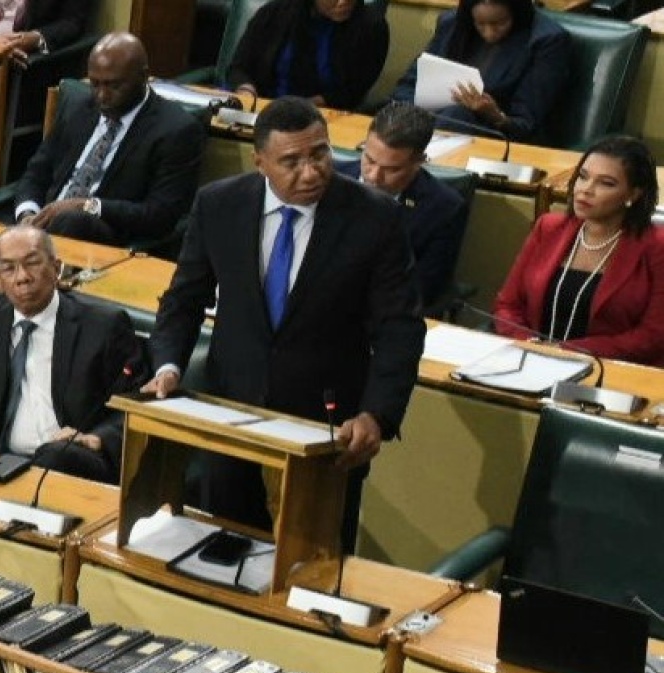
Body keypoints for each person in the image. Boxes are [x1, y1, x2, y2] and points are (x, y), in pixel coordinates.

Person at [145, 97, 425, 550]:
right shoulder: (219, 204)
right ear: (260, 162)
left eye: (320, 154)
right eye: (292, 162)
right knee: (223, 555)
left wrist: (377, 413)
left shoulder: (376, 218)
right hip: (231, 413)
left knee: (313, 565)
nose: (311, 172)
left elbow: (400, 329)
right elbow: (184, 299)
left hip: (326, 428)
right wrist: (167, 365)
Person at [0, 225, 146, 483]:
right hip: (1, 461)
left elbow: (135, 406)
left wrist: (94, 438)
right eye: (8, 268)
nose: (22, 277)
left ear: (57, 268)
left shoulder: (103, 326)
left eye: (32, 263)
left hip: (72, 459)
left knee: (55, 457)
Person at [13, 32, 205, 246]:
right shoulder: (78, 108)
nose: (102, 96)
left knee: (72, 221)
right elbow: (37, 172)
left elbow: (160, 215)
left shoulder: (177, 130)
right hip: (42, 226)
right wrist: (27, 213)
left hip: (108, 236)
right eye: (95, 84)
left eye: (114, 86)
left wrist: (89, 206)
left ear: (143, 77)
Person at [493, 135, 664, 368]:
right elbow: (507, 305)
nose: (585, 190)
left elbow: (653, 336)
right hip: (529, 360)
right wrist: (528, 343)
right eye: (583, 177)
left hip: (609, 370)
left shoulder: (656, 247)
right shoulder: (548, 227)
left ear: (633, 194)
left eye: (606, 183)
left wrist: (566, 352)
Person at [337, 102, 469, 309]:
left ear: (420, 162)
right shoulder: (332, 179)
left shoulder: (444, 209)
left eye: (391, 169)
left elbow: (421, 289)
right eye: (369, 160)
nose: (373, 176)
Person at [390, 0, 569, 142]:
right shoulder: (452, 25)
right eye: (480, 24)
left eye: (499, 23)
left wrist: (495, 116)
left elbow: (526, 123)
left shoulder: (546, 40)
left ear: (516, 13)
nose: (489, 33)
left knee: (456, 114)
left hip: (498, 135)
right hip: (428, 122)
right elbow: (408, 85)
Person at [227, 0, 388, 112]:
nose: (343, 1)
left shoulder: (372, 27)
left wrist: (305, 107)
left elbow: (352, 91)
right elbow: (239, 68)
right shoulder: (273, 13)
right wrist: (246, 92)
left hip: (322, 115)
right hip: (261, 108)